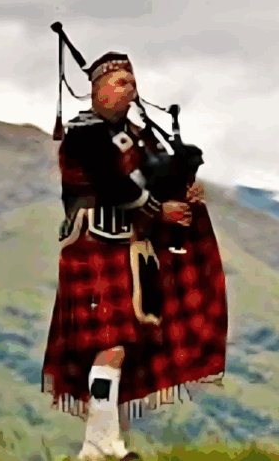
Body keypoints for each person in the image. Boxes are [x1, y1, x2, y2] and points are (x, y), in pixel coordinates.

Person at [41, 51, 227, 461]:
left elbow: (156, 179)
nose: (131, 89)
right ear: (98, 89)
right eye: (121, 82)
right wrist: (158, 208)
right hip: (93, 242)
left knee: (123, 349)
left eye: (133, 81)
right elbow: (111, 184)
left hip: (131, 250)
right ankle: (101, 446)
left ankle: (104, 445)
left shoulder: (138, 137)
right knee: (110, 345)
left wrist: (185, 192)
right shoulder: (83, 135)